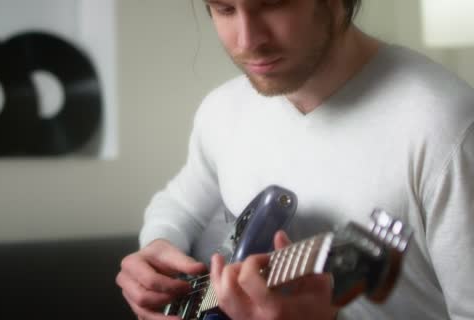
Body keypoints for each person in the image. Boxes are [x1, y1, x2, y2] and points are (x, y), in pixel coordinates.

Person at [116, 0, 474, 319]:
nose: (246, 41)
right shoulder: (221, 111)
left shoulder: (446, 126)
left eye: (272, 4)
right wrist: (158, 247)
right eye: (224, 9)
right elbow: (180, 203)